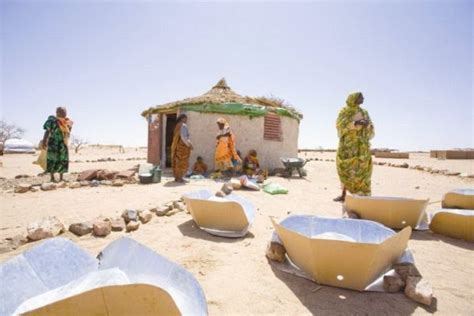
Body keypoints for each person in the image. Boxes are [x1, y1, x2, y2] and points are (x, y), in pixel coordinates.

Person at [334, 92, 375, 202]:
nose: (363, 98)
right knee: (346, 169)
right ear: (353, 98)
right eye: (361, 97)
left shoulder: (364, 112)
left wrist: (367, 125)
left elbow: (371, 127)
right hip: (348, 147)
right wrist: (355, 123)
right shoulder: (345, 112)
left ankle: (362, 196)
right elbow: (340, 126)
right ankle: (343, 194)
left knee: (362, 170)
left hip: (362, 147)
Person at [41, 107, 73, 182]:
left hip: (63, 144)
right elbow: (47, 131)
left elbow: (68, 132)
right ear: (57, 112)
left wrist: (70, 126)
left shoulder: (66, 121)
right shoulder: (52, 121)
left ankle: (61, 178)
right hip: (53, 143)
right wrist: (44, 141)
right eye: (62, 112)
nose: (64, 113)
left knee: (63, 159)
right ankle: (52, 178)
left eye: (65, 112)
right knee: (52, 159)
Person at [171, 114, 193, 182]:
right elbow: (184, 137)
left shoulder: (177, 125)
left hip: (177, 146)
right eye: (186, 119)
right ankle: (180, 178)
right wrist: (189, 144)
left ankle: (177, 177)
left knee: (177, 162)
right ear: (183, 118)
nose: (186, 120)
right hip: (182, 147)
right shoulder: (183, 125)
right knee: (182, 162)